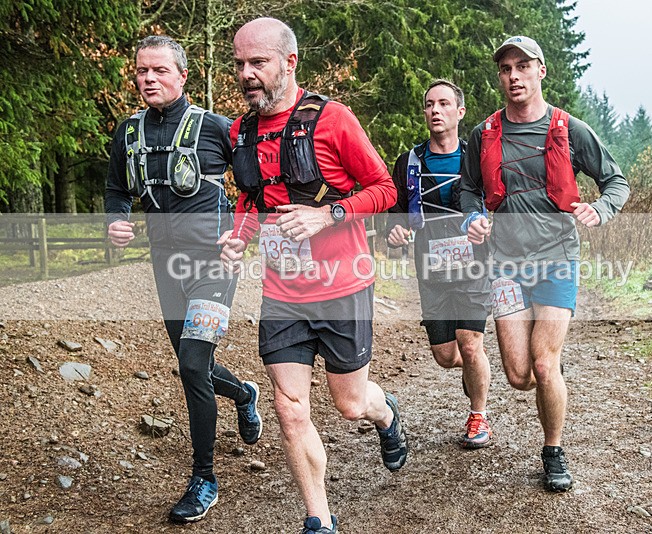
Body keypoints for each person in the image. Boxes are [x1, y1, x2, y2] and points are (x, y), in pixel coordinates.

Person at [218, 18, 406, 534]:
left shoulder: (333, 120)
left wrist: (329, 215)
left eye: (258, 62)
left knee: (349, 405)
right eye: (239, 64)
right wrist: (240, 235)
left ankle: (385, 412)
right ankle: (319, 520)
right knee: (289, 407)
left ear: (289, 62)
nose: (246, 74)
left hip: (343, 286)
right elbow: (252, 197)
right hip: (282, 293)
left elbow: (384, 189)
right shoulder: (243, 130)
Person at [461, 36, 630, 492]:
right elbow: (469, 190)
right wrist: (474, 219)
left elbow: (616, 181)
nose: (513, 76)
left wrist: (601, 208)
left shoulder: (569, 128)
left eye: (522, 66)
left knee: (542, 364)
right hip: (505, 266)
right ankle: (551, 380)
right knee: (518, 376)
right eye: (505, 69)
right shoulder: (484, 133)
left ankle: (553, 450)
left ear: (541, 71)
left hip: (557, 260)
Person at [105, 35, 262, 523]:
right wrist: (116, 220)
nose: (148, 79)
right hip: (165, 268)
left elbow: (256, 189)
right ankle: (242, 393)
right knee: (194, 364)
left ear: (182, 76)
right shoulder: (127, 132)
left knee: (193, 364)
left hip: (214, 267)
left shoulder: (217, 129)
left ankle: (204, 478)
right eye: (141, 72)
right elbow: (116, 189)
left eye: (159, 71)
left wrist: (241, 238)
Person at [386, 80, 493, 448]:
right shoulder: (409, 163)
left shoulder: (477, 159)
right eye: (429, 104)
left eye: (444, 103)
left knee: (471, 341)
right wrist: (395, 233)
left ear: (460, 112)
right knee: (446, 356)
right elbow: (394, 214)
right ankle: (477, 369)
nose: (435, 110)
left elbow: (495, 203)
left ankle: (478, 416)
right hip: (431, 268)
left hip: (473, 265)